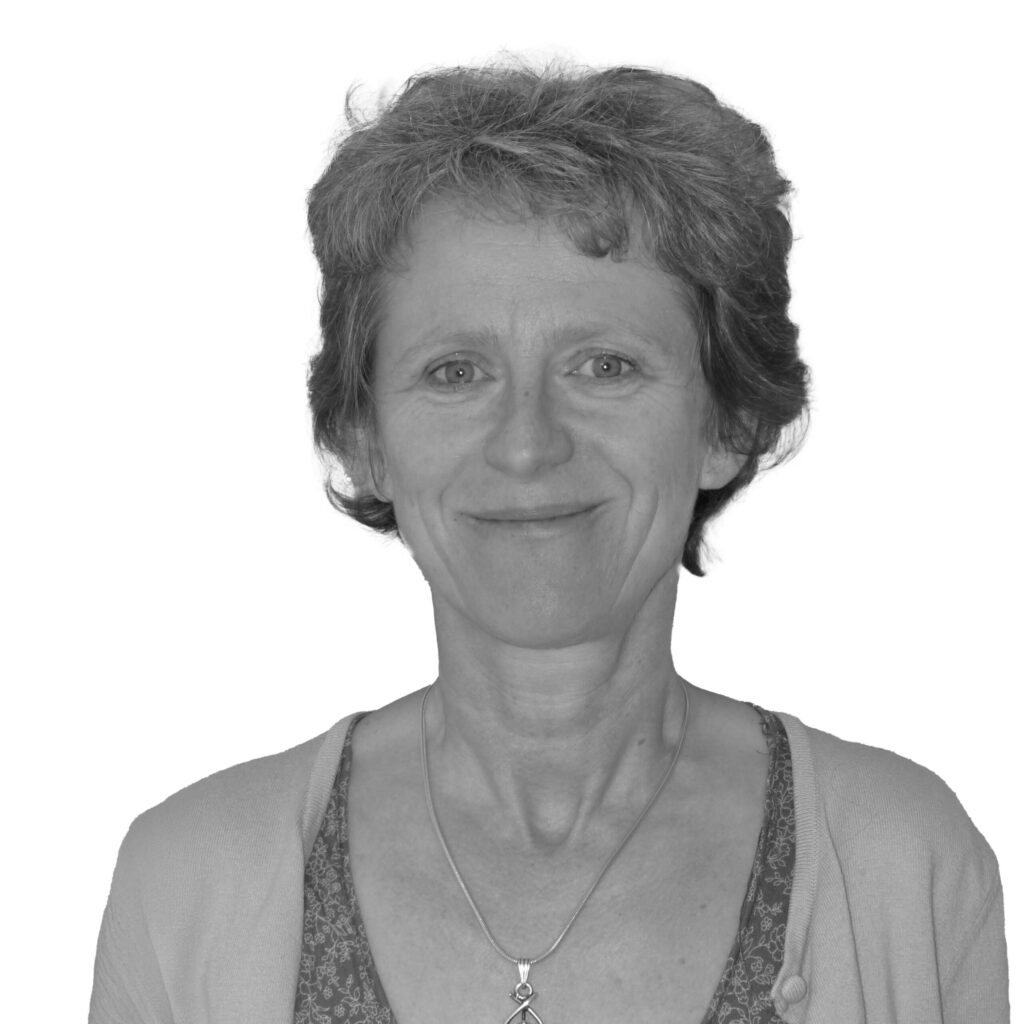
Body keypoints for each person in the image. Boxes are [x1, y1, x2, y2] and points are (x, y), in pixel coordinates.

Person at [89, 63, 1009, 1024]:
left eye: (604, 366)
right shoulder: (182, 882)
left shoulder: (906, 863)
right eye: (456, 372)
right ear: (365, 439)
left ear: (728, 419)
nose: (527, 444)